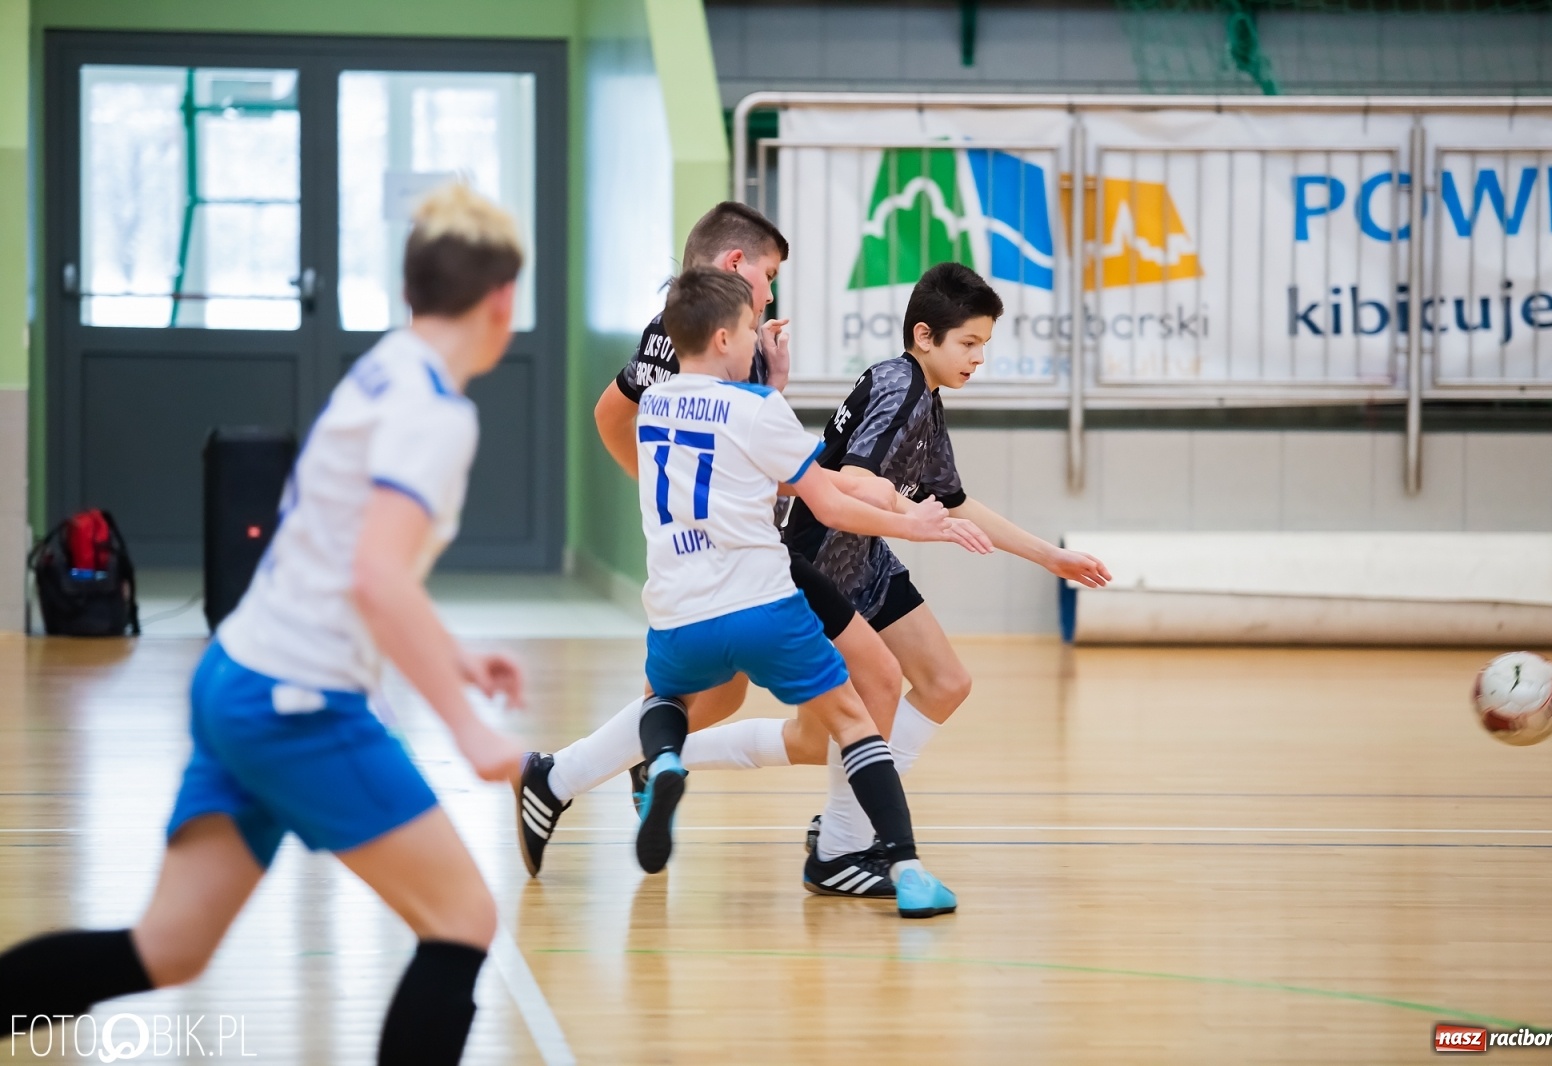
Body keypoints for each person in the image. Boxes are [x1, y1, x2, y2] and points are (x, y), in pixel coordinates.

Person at [0, 185, 529, 1066]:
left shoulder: (386, 366)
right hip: (298, 700)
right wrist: (467, 727)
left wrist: (451, 655)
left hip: (236, 677)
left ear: (412, 293)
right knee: (464, 917)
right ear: (503, 300)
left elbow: (357, 559)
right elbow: (373, 573)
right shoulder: (435, 411)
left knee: (168, 947)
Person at [516, 204, 979, 902]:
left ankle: (606, 767)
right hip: (763, 558)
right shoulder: (687, 340)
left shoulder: (703, 372)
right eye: (768, 276)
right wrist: (908, 519)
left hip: (700, 569)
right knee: (862, 692)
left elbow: (736, 443)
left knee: (714, 692)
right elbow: (796, 474)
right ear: (733, 285)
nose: (771, 295)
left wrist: (689, 489)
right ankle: (850, 850)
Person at [622, 267, 960, 917]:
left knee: (666, 699)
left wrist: (766, 385)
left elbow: (728, 448)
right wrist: (907, 520)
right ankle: (905, 867)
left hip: (674, 607)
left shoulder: (655, 406)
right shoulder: (756, 410)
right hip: (759, 601)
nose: (760, 335)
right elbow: (826, 498)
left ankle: (664, 760)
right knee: (857, 721)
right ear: (724, 338)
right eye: (752, 328)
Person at [782, 261, 1112, 878]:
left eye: (984, 345)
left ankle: (843, 823)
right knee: (831, 724)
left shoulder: (926, 399)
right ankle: (839, 842)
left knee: (945, 683)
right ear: (925, 336)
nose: (978, 359)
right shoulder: (895, 386)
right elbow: (852, 481)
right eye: (969, 343)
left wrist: (1050, 557)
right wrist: (915, 515)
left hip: (870, 561)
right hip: (821, 567)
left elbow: (955, 501)